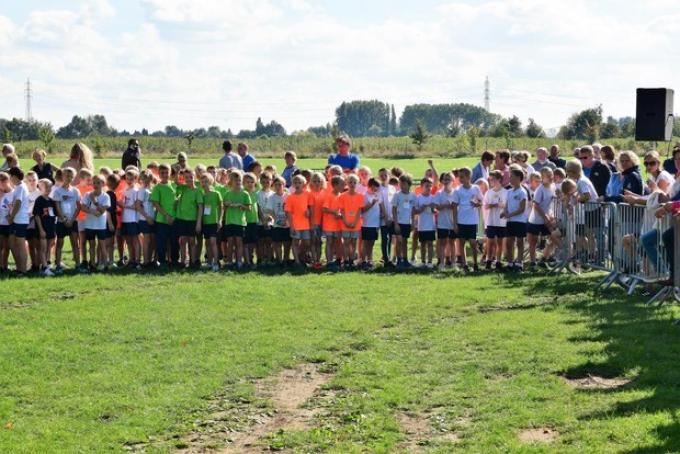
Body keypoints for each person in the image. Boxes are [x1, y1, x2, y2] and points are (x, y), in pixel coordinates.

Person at [452, 167, 483, 271]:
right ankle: (464, 265)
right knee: (462, 243)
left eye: (462, 177)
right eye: (459, 177)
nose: (460, 179)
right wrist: (455, 223)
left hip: (472, 221)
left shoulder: (476, 188)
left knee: (473, 243)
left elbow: (481, 201)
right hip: (461, 220)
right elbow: (454, 207)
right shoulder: (457, 190)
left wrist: (477, 204)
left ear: (469, 177)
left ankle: (475, 264)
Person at [53, 167, 81, 274]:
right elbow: (57, 207)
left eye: (70, 176)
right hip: (61, 222)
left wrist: (72, 219)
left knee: (75, 244)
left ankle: (78, 265)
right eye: (66, 176)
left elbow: (78, 207)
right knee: (59, 244)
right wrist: (64, 219)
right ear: (62, 176)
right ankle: (58, 265)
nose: (68, 178)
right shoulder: (58, 191)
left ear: (73, 178)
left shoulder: (75, 191)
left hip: (73, 221)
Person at [150, 164, 178, 270]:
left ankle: (174, 261)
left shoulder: (174, 185)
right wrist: (166, 216)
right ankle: (162, 262)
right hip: (162, 220)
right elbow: (156, 204)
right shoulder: (157, 188)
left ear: (170, 173)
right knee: (161, 243)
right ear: (159, 173)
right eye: (162, 173)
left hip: (174, 219)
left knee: (174, 242)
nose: (165, 175)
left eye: (167, 172)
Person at [80, 175, 111, 270]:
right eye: (94, 183)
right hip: (90, 224)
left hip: (101, 225)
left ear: (103, 184)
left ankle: (105, 265)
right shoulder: (87, 194)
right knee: (92, 245)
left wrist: (94, 201)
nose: (96, 185)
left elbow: (102, 211)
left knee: (102, 245)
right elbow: (83, 207)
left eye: (98, 183)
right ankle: (92, 264)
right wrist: (91, 211)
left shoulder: (105, 196)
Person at [527, 168, 556, 267]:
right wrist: (545, 217)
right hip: (536, 220)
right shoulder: (540, 189)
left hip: (547, 218)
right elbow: (536, 205)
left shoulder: (553, 186)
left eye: (551, 175)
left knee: (553, 237)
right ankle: (533, 262)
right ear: (543, 178)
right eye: (548, 176)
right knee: (533, 241)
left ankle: (545, 258)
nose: (551, 177)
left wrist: (551, 215)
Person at [501, 168, 528, 271]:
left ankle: (519, 264)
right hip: (510, 221)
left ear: (518, 178)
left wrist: (510, 214)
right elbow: (506, 205)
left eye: (512, 176)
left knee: (520, 242)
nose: (510, 178)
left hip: (520, 221)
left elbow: (522, 209)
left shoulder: (522, 192)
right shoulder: (509, 192)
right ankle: (510, 263)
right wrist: (504, 212)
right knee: (509, 242)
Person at [175, 170, 203, 268]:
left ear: (194, 177)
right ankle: (183, 261)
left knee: (192, 241)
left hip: (192, 220)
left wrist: (198, 223)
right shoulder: (183, 188)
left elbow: (200, 207)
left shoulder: (197, 191)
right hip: (182, 219)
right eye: (186, 177)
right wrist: (178, 171)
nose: (189, 179)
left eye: (191, 177)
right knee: (182, 240)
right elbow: (176, 181)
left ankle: (193, 261)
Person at [222, 171, 250, 269]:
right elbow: (224, 207)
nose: (238, 182)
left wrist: (241, 205)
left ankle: (239, 262)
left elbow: (249, 208)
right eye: (235, 180)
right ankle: (229, 262)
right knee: (230, 243)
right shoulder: (227, 194)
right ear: (231, 181)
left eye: (239, 180)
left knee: (239, 242)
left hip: (240, 222)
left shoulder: (245, 194)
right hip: (229, 222)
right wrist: (226, 205)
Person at [285, 174, 313, 267]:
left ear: (304, 184)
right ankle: (297, 262)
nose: (297, 184)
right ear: (293, 184)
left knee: (307, 242)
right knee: (295, 242)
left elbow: (310, 207)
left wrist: (309, 212)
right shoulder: (290, 197)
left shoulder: (307, 194)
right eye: (295, 183)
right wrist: (291, 226)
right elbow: (288, 213)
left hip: (306, 224)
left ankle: (301, 257)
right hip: (295, 224)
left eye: (299, 182)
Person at [7, 167, 30, 275]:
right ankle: (19, 267)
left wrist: (11, 217)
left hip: (20, 220)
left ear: (14, 176)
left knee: (20, 245)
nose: (9, 178)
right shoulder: (18, 187)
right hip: (16, 219)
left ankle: (23, 270)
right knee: (12, 243)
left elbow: (18, 203)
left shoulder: (21, 187)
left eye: (10, 176)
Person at [483, 170, 507, 270]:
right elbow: (485, 205)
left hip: (501, 221)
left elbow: (505, 204)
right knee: (490, 241)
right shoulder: (489, 192)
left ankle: (498, 261)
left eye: (493, 179)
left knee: (500, 242)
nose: (491, 181)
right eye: (490, 179)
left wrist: (495, 205)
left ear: (499, 179)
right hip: (491, 220)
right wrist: (491, 206)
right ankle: (489, 260)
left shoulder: (505, 192)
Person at [392, 174, 416, 270]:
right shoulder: (397, 195)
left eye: (404, 184)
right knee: (399, 241)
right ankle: (399, 260)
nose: (401, 186)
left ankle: (405, 260)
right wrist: (396, 223)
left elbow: (413, 210)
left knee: (405, 241)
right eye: (400, 183)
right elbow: (394, 209)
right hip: (399, 222)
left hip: (407, 222)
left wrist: (413, 222)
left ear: (409, 184)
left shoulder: (413, 195)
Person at [200, 173, 223, 271]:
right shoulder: (202, 195)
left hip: (214, 221)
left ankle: (216, 262)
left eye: (206, 181)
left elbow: (221, 207)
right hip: (205, 222)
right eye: (202, 182)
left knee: (213, 242)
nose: (204, 184)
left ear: (210, 182)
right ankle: (209, 262)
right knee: (208, 243)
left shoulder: (216, 193)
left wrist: (220, 219)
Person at [33, 179, 56, 276]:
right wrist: (41, 229)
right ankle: (44, 267)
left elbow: (54, 214)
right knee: (42, 248)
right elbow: (37, 215)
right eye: (45, 187)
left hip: (51, 227)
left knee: (48, 248)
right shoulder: (39, 200)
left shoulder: (51, 201)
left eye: (49, 187)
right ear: (40, 188)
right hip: (43, 228)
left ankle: (46, 265)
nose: (48, 189)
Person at [119, 168, 141, 269]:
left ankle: (137, 261)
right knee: (128, 241)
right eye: (127, 178)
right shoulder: (125, 189)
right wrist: (121, 204)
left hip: (133, 219)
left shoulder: (136, 191)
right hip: (125, 219)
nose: (129, 181)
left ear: (136, 179)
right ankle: (131, 260)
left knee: (135, 240)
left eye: (131, 179)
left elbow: (136, 206)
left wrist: (123, 205)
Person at [359, 178, 382, 269]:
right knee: (365, 242)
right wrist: (371, 204)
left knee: (372, 243)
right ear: (370, 186)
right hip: (367, 223)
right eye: (374, 187)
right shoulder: (364, 195)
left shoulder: (377, 195)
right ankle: (363, 260)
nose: (376, 189)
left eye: (377, 187)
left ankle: (370, 260)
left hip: (375, 223)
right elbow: (362, 210)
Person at [322, 176, 344, 270]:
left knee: (338, 242)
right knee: (329, 242)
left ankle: (338, 260)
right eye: (341, 184)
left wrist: (341, 214)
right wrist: (334, 212)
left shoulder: (341, 195)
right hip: (329, 224)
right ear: (335, 185)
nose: (343, 186)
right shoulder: (329, 196)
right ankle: (329, 261)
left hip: (338, 224)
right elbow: (324, 209)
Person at [415, 177, 436, 269]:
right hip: (422, 225)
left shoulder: (433, 198)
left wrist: (433, 209)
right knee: (423, 244)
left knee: (430, 243)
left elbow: (435, 211)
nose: (429, 188)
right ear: (421, 186)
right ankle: (423, 261)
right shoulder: (418, 198)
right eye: (427, 186)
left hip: (431, 225)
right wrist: (422, 208)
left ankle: (430, 262)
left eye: (430, 186)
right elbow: (415, 211)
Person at [136, 170, 156, 268]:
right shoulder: (142, 190)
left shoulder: (152, 189)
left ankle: (151, 260)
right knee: (146, 240)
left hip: (153, 218)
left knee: (152, 240)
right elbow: (138, 205)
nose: (145, 181)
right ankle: (146, 262)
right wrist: (147, 217)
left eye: (147, 178)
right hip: (144, 219)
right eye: (143, 178)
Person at [242, 172, 259, 267]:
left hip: (254, 221)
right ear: (243, 183)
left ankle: (250, 258)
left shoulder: (255, 193)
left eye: (252, 182)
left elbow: (258, 207)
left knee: (252, 242)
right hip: (245, 221)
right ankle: (247, 261)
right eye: (247, 182)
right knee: (245, 242)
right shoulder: (242, 193)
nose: (250, 184)